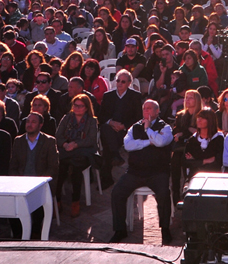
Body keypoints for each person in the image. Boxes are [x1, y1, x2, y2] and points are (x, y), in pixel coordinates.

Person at [109, 100, 174, 245]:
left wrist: (148, 130)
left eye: (150, 109)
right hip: (135, 172)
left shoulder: (166, 127)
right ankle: (120, 230)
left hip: (157, 172)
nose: (147, 111)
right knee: (117, 192)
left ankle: (165, 229)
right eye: (144, 109)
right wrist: (147, 142)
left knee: (164, 194)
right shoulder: (134, 127)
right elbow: (128, 145)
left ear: (157, 111)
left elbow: (160, 142)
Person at [9, 112, 59, 239]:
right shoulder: (19, 141)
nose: (29, 124)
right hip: (21, 182)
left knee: (38, 198)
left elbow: (53, 167)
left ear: (40, 125)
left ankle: (36, 231)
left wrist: (39, 182)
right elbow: (13, 166)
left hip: (40, 182)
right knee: (12, 201)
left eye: (33, 122)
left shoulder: (49, 141)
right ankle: (18, 233)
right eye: (28, 122)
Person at [55, 93, 99, 217]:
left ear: (86, 107)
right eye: (75, 105)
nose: (77, 108)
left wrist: (76, 144)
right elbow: (58, 135)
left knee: (76, 168)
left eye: (81, 106)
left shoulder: (91, 121)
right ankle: (57, 200)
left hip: (82, 150)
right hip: (66, 149)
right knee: (60, 167)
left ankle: (75, 201)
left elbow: (91, 140)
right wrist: (64, 144)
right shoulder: (67, 117)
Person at [98, 69, 143, 189]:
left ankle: (106, 177)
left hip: (127, 130)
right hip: (111, 129)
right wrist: (111, 122)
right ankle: (115, 155)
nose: (120, 83)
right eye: (118, 80)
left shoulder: (135, 96)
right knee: (105, 129)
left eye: (123, 81)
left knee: (107, 146)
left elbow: (138, 117)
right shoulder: (108, 96)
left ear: (129, 83)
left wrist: (123, 125)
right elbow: (101, 116)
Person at [182, 108, 224, 179]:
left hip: (213, 177)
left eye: (203, 118)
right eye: (198, 117)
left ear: (210, 121)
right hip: (194, 178)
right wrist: (205, 161)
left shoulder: (219, 139)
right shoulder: (192, 140)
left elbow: (217, 162)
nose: (199, 120)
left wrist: (196, 161)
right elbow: (186, 162)